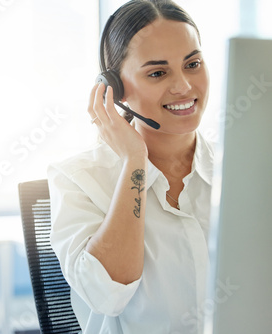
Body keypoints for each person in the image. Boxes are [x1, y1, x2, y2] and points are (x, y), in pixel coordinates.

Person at [48, 1, 213, 333]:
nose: (183, 86)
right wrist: (135, 163)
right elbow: (107, 296)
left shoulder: (246, 169)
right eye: (157, 72)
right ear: (114, 90)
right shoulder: (79, 179)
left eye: (192, 64)